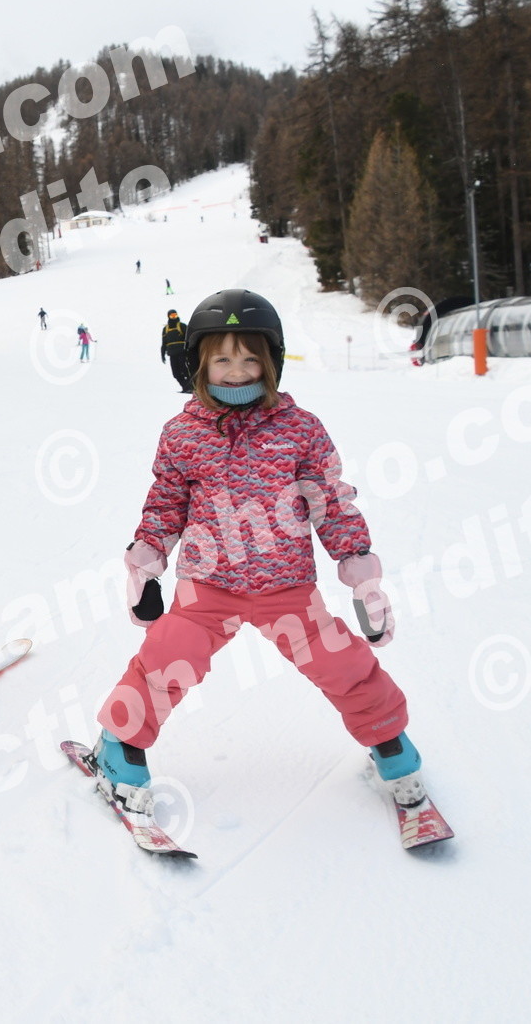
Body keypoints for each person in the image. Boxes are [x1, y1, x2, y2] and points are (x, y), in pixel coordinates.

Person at [87, 289, 426, 822]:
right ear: (199, 364)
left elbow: (331, 502)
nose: (237, 371)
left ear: (271, 361)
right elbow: (166, 503)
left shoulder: (300, 429)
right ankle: (118, 744)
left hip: (287, 587)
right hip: (207, 587)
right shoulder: (181, 434)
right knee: (167, 659)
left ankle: (391, 745)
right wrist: (147, 565)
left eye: (250, 358)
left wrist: (363, 577)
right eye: (222, 359)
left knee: (343, 663)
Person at [159, 309, 189, 392]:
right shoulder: (165, 329)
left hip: (182, 352)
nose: (173, 317)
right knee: (176, 373)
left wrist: (189, 350)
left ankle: (191, 387)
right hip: (172, 353)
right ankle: (185, 387)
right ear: (168, 316)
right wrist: (162, 354)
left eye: (175, 315)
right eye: (172, 315)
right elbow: (164, 343)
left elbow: (188, 338)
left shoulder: (182, 326)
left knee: (185, 370)